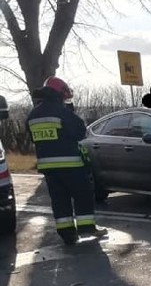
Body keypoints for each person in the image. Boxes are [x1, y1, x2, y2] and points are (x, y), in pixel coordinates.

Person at [27, 77, 108, 245]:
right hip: (70, 164)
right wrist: (71, 113)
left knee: (59, 200)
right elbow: (79, 132)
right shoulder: (61, 112)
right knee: (83, 195)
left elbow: (33, 138)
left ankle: (67, 234)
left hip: (48, 168)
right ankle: (86, 228)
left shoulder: (33, 115)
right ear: (59, 93)